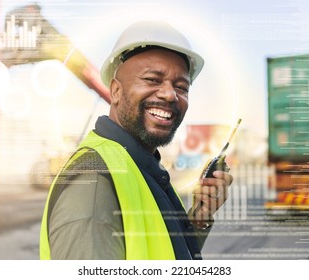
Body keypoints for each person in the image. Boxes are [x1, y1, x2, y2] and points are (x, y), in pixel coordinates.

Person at [40, 20, 234, 260]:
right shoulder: (94, 185)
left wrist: (199, 219)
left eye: (181, 86)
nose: (170, 94)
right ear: (116, 91)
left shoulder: (140, 167)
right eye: (153, 79)